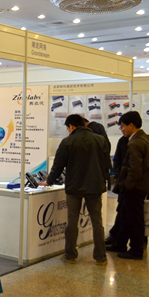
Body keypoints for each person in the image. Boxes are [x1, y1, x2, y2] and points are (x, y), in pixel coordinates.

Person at [38, 114, 110, 266]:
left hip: (74, 187)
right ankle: (101, 257)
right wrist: (101, 179)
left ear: (71, 126)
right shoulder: (100, 140)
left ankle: (70, 254)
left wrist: (49, 181)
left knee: (72, 222)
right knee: (97, 222)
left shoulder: (67, 142)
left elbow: (58, 165)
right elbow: (106, 165)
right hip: (95, 187)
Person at [108, 111, 149, 260]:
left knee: (134, 220)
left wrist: (127, 186)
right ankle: (120, 244)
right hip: (140, 186)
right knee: (126, 217)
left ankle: (136, 250)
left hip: (135, 188)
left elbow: (134, 169)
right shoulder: (144, 139)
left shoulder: (136, 143)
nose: (122, 130)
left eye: (123, 126)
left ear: (131, 125)